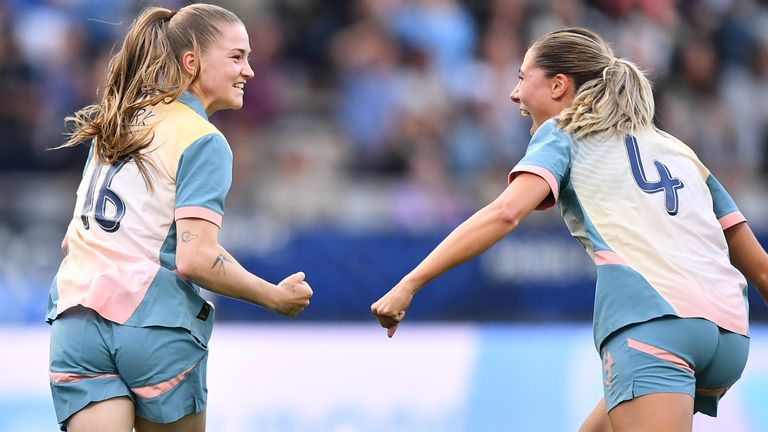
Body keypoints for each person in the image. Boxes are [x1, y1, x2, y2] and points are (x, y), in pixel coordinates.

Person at [371, 27, 768, 431]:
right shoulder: (678, 151)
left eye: (522, 78)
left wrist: (410, 282)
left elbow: (505, 213)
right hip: (729, 337)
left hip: (653, 327)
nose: (513, 93)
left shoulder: (564, 133)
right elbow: (762, 270)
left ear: (559, 85)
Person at [47, 4, 313, 432]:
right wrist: (273, 296)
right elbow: (196, 259)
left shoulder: (119, 122)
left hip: (76, 323)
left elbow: (71, 240)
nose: (249, 71)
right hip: (152, 325)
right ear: (192, 62)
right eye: (236, 57)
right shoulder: (203, 139)